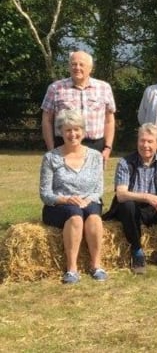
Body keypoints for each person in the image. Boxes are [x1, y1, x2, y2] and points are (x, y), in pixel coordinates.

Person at [103, 123, 157, 274]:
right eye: (142, 140)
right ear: (137, 142)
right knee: (126, 204)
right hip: (135, 210)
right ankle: (137, 252)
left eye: (150, 141)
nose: (145, 145)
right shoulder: (125, 162)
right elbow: (121, 194)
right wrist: (147, 197)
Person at [40, 109, 106, 284]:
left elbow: (98, 190)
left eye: (77, 129)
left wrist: (86, 200)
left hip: (88, 201)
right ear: (60, 132)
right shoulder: (50, 158)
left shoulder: (96, 157)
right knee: (76, 217)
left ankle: (96, 265)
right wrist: (66, 199)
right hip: (59, 206)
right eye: (68, 130)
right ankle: (71, 269)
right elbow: (45, 194)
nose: (73, 134)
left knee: (94, 217)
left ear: (83, 132)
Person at [41, 51, 116, 162]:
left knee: (93, 180)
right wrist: (51, 149)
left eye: (81, 64)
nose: (77, 67)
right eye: (74, 64)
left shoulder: (104, 88)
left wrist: (108, 148)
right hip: (63, 145)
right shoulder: (55, 88)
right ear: (69, 67)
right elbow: (46, 120)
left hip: (95, 146)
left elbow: (109, 120)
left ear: (90, 68)